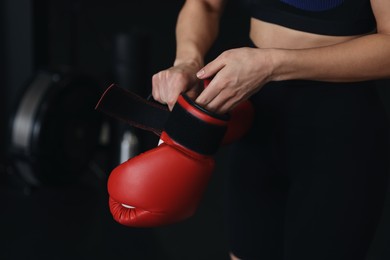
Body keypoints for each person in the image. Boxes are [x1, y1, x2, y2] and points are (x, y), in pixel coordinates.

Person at [151, 0, 390, 259]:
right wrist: (188, 61)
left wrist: (272, 64)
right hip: (256, 114)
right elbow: (205, 4)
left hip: (339, 130)